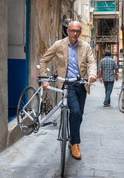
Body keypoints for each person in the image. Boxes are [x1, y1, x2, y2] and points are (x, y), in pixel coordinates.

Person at [39, 21, 97, 160]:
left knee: (79, 115)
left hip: (81, 84)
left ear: (80, 32)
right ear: (67, 31)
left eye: (77, 31)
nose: (75, 33)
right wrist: (44, 79)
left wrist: (92, 74)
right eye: (72, 30)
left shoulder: (86, 46)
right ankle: (76, 144)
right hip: (66, 84)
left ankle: (71, 139)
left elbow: (92, 62)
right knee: (75, 111)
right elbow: (43, 60)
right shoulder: (59, 45)